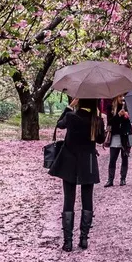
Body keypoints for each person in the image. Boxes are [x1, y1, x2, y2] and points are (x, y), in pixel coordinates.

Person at [48, 98, 102, 251]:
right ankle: (84, 239)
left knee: (69, 199)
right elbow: (100, 140)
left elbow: (59, 124)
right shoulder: (96, 120)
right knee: (87, 199)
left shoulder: (71, 117)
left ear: (79, 102)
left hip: (69, 162)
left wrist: (68, 107)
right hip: (88, 163)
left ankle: (68, 241)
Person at [104, 95, 132, 187]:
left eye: (123, 96)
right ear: (116, 97)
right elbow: (110, 122)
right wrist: (118, 115)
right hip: (115, 135)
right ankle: (110, 179)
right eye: (120, 96)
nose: (122, 98)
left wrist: (127, 116)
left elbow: (131, 120)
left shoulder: (128, 106)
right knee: (113, 158)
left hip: (126, 135)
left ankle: (123, 179)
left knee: (125, 157)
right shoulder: (110, 107)